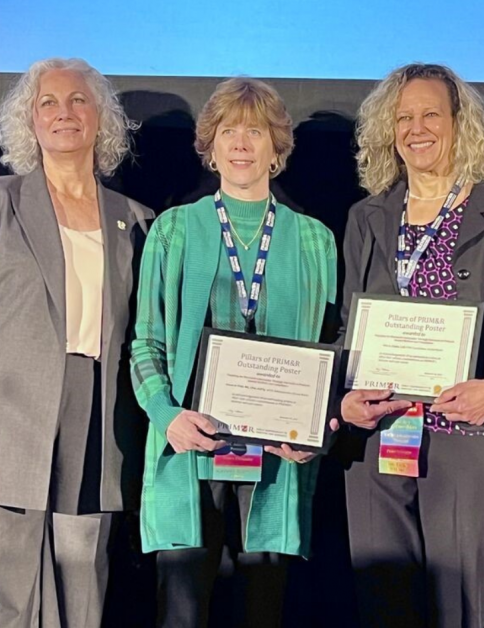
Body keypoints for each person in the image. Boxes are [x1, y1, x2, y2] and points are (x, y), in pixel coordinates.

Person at [0, 57, 154, 627]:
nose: (64, 112)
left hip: (94, 430)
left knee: (81, 601)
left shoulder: (137, 220)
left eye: (78, 101)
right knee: (4, 608)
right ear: (30, 121)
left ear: (102, 120)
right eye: (48, 102)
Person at [337, 63, 484, 628]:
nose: (416, 128)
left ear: (460, 124)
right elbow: (344, 326)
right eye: (403, 117)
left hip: (467, 435)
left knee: (456, 609)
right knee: (384, 606)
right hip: (381, 435)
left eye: (430, 114)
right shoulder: (366, 218)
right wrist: (343, 400)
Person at [130, 77, 337, 627]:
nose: (241, 142)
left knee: (264, 613)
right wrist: (166, 415)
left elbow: (330, 349)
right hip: (189, 446)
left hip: (275, 456)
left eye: (255, 131)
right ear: (210, 145)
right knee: (182, 614)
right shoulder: (173, 230)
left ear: (277, 149)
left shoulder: (315, 239)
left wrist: (312, 429)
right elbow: (145, 342)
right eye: (228, 131)